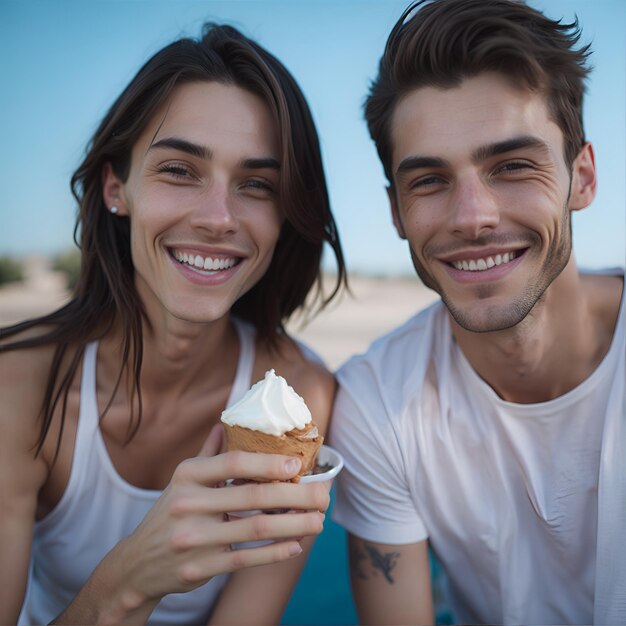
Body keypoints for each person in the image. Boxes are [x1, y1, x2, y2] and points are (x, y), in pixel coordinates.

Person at [0, 23, 347, 625]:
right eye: (180, 170)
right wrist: (131, 578)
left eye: (257, 184)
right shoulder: (18, 390)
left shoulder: (302, 397)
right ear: (117, 187)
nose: (218, 218)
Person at [329, 0, 625, 624]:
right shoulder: (377, 400)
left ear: (583, 177)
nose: (472, 216)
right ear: (395, 212)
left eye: (512, 166)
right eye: (429, 181)